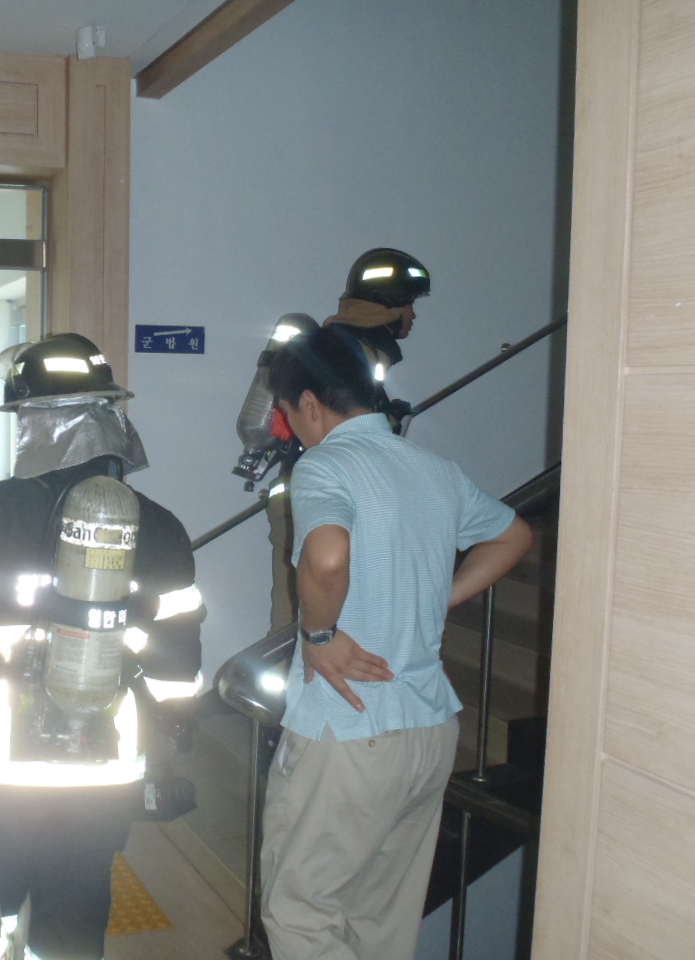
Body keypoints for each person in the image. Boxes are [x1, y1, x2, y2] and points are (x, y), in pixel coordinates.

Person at [0, 333, 204, 960]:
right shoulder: (160, 527)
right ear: (110, 418)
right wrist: (172, 726)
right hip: (101, 775)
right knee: (73, 927)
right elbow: (178, 670)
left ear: (30, 422)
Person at [258, 325, 532, 959]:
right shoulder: (433, 468)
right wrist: (442, 595)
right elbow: (514, 535)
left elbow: (328, 557)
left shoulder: (324, 465)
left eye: (287, 412)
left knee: (301, 914)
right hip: (429, 729)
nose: (290, 428)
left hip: (350, 726)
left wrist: (319, 633)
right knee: (381, 923)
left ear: (309, 404)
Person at [323, 247, 430, 430]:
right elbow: (348, 422)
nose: (413, 315)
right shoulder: (349, 351)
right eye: (410, 304)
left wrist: (389, 416)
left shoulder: (353, 346)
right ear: (391, 301)